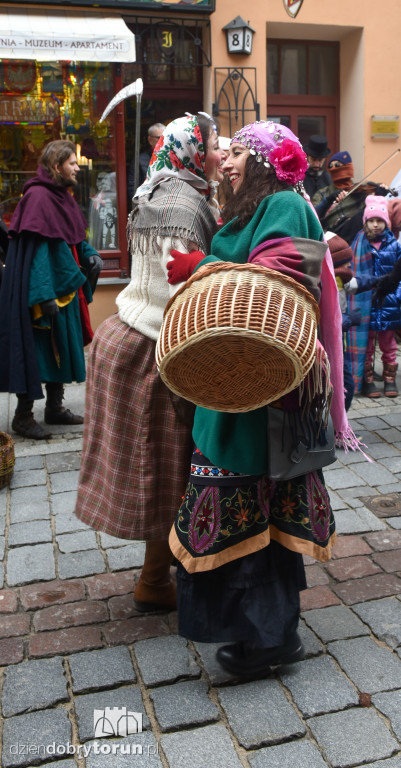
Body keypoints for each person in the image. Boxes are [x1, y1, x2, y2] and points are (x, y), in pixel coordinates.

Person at [167, 121, 360, 678]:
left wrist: (198, 268)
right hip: (238, 382)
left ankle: (268, 640)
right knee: (254, 512)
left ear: (267, 162)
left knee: (256, 512)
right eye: (223, 153)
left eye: (237, 154)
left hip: (264, 391)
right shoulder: (252, 207)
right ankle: (267, 633)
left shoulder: (283, 205)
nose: (225, 162)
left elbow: (270, 283)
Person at [74, 114, 223, 613]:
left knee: (159, 465)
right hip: (153, 346)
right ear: (194, 151)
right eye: (216, 146)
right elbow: (179, 290)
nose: (221, 155)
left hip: (129, 335)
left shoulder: (159, 189)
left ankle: (162, 572)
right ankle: (155, 581)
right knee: (164, 467)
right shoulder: (183, 204)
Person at [0, 140, 102, 440]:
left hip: (66, 284)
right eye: (72, 163)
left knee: (64, 347)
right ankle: (23, 415)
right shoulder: (37, 197)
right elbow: (39, 250)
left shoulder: (62, 196)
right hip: (42, 292)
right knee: (38, 351)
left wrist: (90, 253)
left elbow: (71, 235)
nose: (77, 168)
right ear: (57, 166)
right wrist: (43, 294)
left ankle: (55, 408)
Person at [346, 195, 401, 398]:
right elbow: (353, 273)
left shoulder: (394, 245)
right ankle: (368, 380)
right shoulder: (359, 244)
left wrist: (396, 296)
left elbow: (399, 274)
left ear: (386, 222)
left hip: (388, 303)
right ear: (366, 221)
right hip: (366, 303)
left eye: (380, 220)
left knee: (388, 343)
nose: (376, 225)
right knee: (367, 344)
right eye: (372, 220)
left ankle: (389, 379)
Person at [127, 122, 166, 200]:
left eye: (165, 137)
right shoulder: (140, 160)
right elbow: (133, 188)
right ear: (150, 139)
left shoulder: (174, 157)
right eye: (159, 138)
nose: (163, 141)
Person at [303, 134, 332, 199]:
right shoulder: (300, 179)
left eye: (320, 160)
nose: (316, 164)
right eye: (313, 159)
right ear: (307, 157)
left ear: (324, 159)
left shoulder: (329, 179)